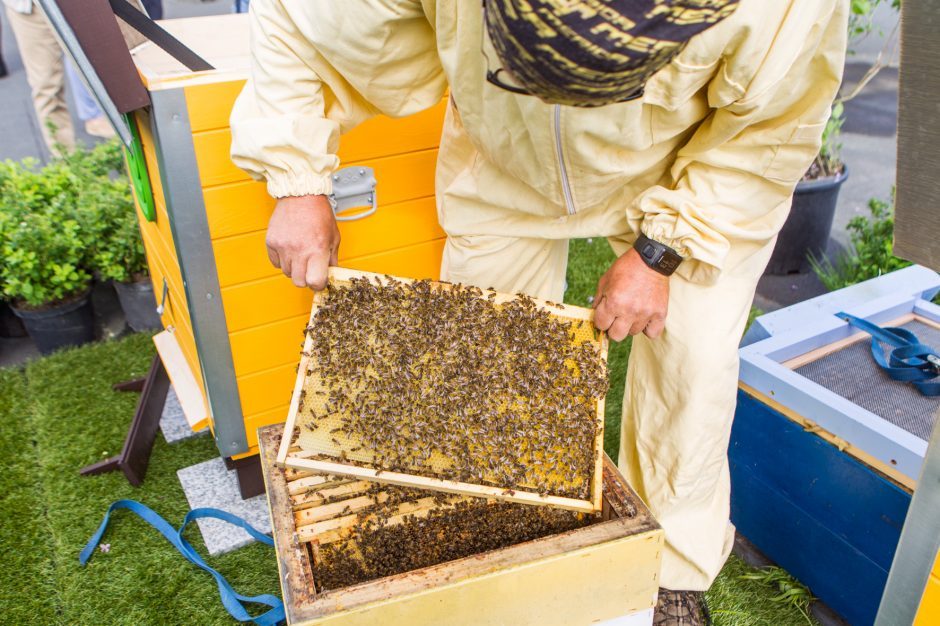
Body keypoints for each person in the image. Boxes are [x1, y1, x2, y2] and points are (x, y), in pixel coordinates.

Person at [230, 1, 848, 623]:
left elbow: (768, 132)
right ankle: (501, 536)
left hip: (685, 165)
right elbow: (300, 25)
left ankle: (670, 570)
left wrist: (661, 253)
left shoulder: (785, 9)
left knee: (693, 367)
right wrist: (297, 182)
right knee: (482, 365)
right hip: (504, 155)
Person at [3, 0, 74, 152]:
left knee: (112, 69)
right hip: (29, 9)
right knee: (46, 87)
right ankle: (68, 162)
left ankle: (132, 145)